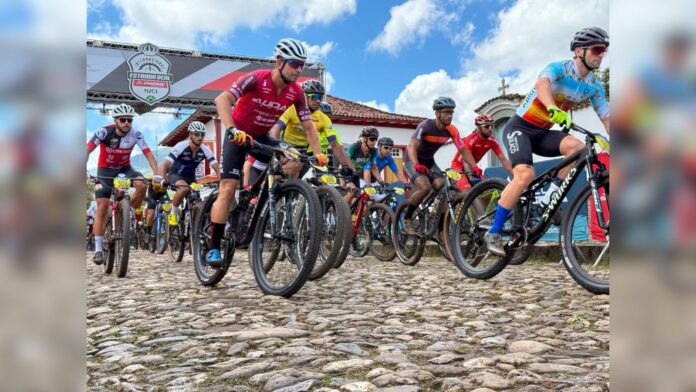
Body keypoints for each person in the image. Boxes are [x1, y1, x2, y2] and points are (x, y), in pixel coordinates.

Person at [485, 27, 610, 255]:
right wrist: (553, 108)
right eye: (597, 49)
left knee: (578, 149)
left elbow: (607, 116)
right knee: (525, 175)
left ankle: (549, 198)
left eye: (605, 50)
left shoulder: (594, 86)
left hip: (542, 133)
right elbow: (542, 84)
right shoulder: (559, 68)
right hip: (519, 128)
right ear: (579, 51)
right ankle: (493, 231)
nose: (602, 54)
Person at [206, 38, 329, 266]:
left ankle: (270, 198)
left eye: (302, 64)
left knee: (294, 157)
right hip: (239, 135)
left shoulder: (296, 93)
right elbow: (222, 99)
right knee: (228, 188)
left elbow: (309, 126)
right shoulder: (257, 78)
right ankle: (213, 247)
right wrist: (231, 129)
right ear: (279, 61)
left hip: (262, 138)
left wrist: (318, 153)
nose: (299, 69)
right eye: (294, 63)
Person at [86, 103, 159, 265]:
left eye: (130, 120)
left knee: (142, 184)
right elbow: (87, 150)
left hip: (125, 169)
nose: (127, 123)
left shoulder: (136, 134)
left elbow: (149, 155)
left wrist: (157, 175)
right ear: (116, 120)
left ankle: (128, 211)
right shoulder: (104, 132)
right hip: (105, 171)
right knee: (103, 206)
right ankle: (98, 249)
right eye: (123, 120)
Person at [402, 97, 480, 234]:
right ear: (437, 113)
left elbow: (463, 150)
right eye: (446, 112)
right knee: (425, 187)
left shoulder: (452, 130)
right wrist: (416, 164)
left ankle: (434, 218)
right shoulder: (425, 126)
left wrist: (475, 167)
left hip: (429, 161)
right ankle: (408, 218)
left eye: (452, 112)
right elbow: (412, 146)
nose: (450, 116)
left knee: (442, 186)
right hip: (412, 160)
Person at [270, 79, 353, 179]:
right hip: (284, 147)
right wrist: (276, 145)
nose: (318, 100)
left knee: (295, 178)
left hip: (302, 152)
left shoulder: (324, 118)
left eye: (320, 97)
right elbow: (277, 128)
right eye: (314, 97)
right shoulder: (292, 108)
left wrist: (345, 166)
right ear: (304, 97)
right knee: (278, 177)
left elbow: (335, 145)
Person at [156, 121, 220, 224]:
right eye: (197, 134)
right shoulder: (181, 146)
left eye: (202, 135)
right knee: (183, 189)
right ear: (190, 134)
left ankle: (189, 223)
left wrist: (223, 180)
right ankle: (173, 212)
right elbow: (164, 165)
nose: (200, 137)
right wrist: (163, 180)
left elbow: (217, 169)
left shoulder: (205, 150)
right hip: (176, 175)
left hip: (191, 177)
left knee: (197, 200)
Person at [450, 114, 514, 190]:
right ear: (479, 127)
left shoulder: (492, 142)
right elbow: (466, 161)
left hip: (472, 167)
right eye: (486, 127)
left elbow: (503, 160)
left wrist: (515, 175)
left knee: (487, 191)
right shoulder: (471, 139)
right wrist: (471, 178)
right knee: (467, 189)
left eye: (491, 126)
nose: (490, 129)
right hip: (458, 166)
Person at [345, 127, 383, 205]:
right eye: (372, 139)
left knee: (358, 197)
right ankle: (341, 210)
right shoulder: (354, 147)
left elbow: (372, 167)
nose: (374, 142)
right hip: (346, 171)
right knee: (351, 192)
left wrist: (381, 181)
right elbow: (345, 162)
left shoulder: (373, 151)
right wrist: (347, 180)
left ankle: (354, 216)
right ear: (365, 139)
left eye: (376, 139)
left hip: (357, 174)